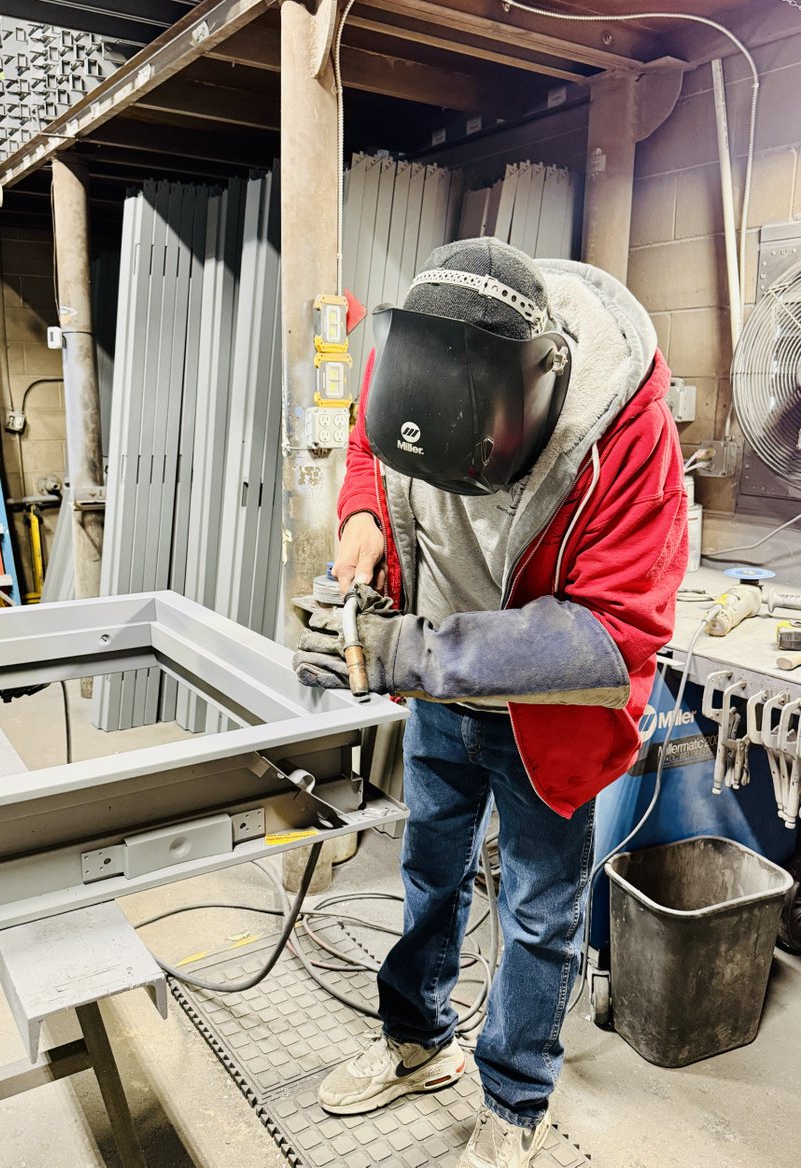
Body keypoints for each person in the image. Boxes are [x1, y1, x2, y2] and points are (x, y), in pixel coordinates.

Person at [293, 238, 688, 1168]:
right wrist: (360, 519)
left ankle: (514, 1100)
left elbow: (613, 634)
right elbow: (368, 446)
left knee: (538, 912)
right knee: (430, 873)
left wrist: (414, 650)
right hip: (440, 693)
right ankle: (417, 1043)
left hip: (550, 718)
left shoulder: (628, 433)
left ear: (538, 396)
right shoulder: (422, 352)